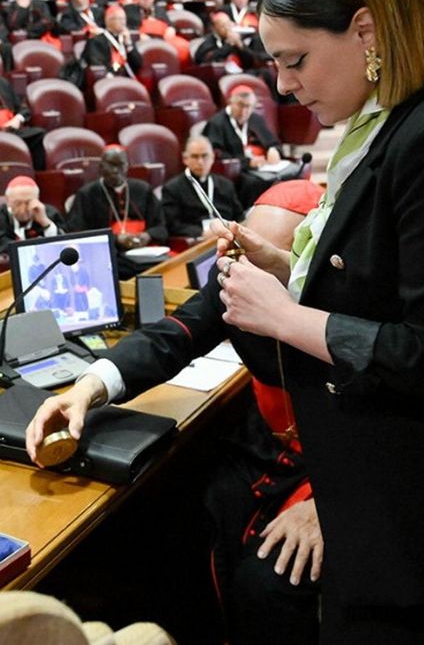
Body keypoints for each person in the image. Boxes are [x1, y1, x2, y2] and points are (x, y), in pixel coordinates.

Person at [214, 0, 424, 642]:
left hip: (417, 521)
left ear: (365, 31)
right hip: (377, 502)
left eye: (295, 60)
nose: (284, 84)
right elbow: (381, 285)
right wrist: (282, 268)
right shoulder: (391, 124)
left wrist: (287, 317)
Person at [26, 181, 326, 645]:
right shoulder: (236, 277)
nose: (244, 271)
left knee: (270, 584)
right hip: (265, 445)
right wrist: (86, 388)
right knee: (173, 535)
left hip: (336, 468)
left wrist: (328, 508)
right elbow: (172, 335)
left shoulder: (347, 299)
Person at [66, 146, 166, 279]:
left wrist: (147, 235)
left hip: (145, 254)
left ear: (127, 166)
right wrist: (116, 239)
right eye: (112, 165)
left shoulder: (143, 189)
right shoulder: (87, 194)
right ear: (101, 167)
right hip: (109, 256)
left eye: (121, 165)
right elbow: (78, 233)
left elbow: (161, 227)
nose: (116, 171)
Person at [203, 85, 283, 207]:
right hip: (239, 171)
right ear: (230, 102)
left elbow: (273, 142)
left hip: (264, 166)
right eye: (240, 105)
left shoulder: (256, 119)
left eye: (248, 106)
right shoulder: (217, 123)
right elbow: (216, 154)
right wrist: (247, 162)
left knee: (291, 173)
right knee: (254, 183)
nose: (244, 111)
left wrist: (273, 150)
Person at [162, 136, 243, 239]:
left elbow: (239, 217)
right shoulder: (172, 188)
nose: (200, 162)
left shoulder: (226, 184)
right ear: (185, 159)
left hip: (228, 236)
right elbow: (173, 225)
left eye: (205, 156)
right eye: (195, 157)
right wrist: (202, 233)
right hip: (197, 241)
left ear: (213, 157)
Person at [0, 176, 66, 254]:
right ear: (8, 201)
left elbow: (63, 245)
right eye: (17, 203)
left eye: (28, 202)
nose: (23, 209)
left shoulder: (51, 214)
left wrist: (45, 223)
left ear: (37, 199)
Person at [80, 5, 142, 78]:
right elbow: (97, 65)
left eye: (124, 19)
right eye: (119, 19)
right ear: (108, 20)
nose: (123, 22)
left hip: (126, 79)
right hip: (107, 80)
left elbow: (138, 64)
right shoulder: (96, 40)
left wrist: (129, 44)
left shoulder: (125, 38)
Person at [194, 12, 266, 70]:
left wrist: (240, 45)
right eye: (223, 26)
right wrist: (229, 45)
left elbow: (251, 61)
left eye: (228, 25)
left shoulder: (236, 40)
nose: (227, 28)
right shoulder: (209, 42)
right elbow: (205, 60)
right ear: (215, 28)